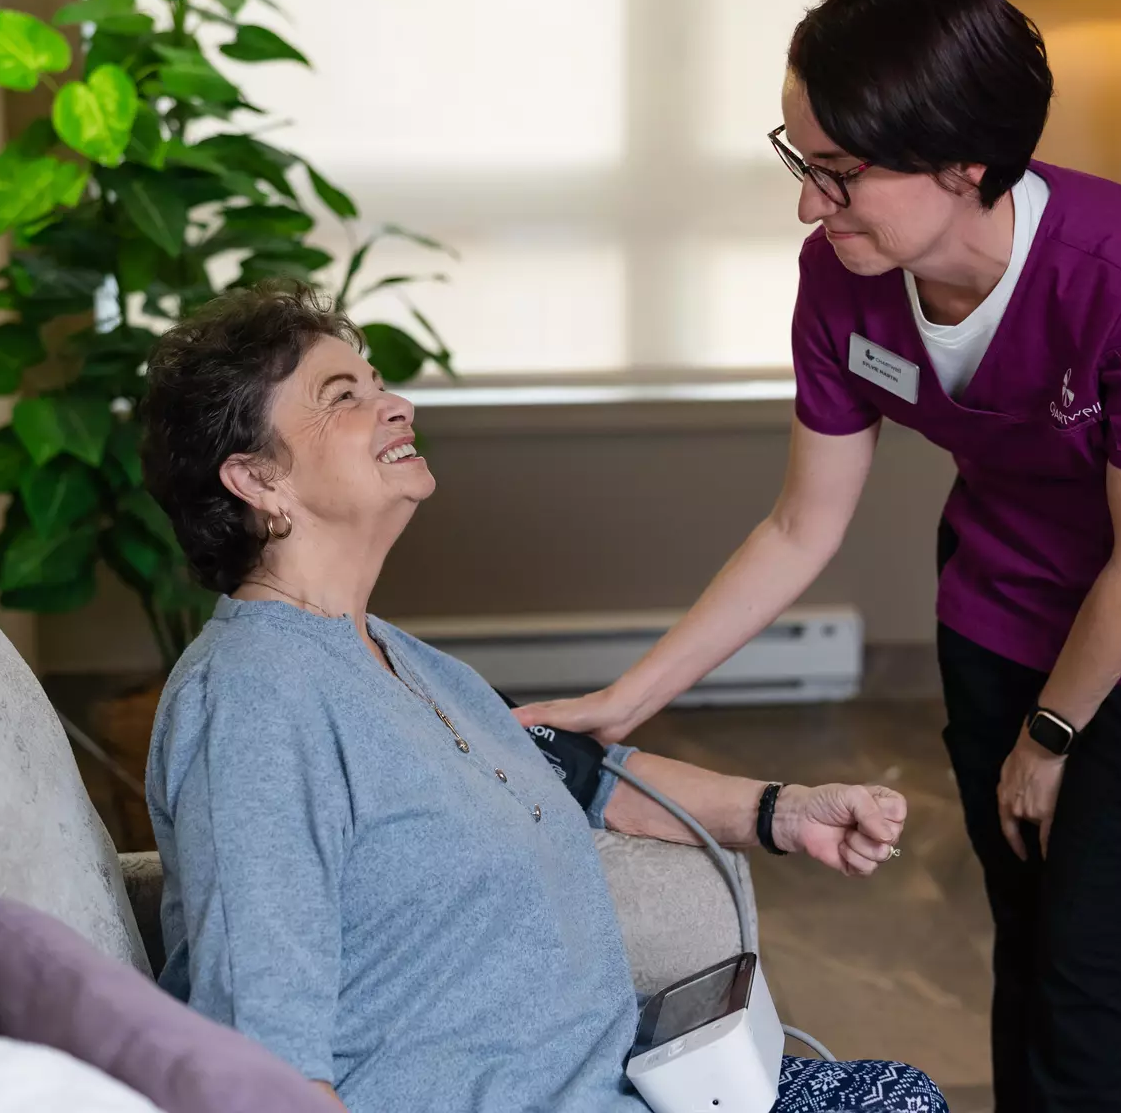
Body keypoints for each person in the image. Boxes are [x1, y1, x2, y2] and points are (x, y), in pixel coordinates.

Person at [516, 0, 1121, 1113]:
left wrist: (1051, 736)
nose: (808, 204)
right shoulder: (843, 277)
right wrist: (628, 701)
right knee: (1026, 919)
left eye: (840, 173)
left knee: (1093, 960)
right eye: (800, 161)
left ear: (966, 158)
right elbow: (797, 526)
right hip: (1010, 567)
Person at [134, 284, 948, 1113]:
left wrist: (785, 810)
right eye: (345, 397)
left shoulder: (410, 661)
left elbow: (579, 777)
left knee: (898, 1094)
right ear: (256, 478)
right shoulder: (251, 701)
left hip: (608, 1086)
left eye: (380, 384)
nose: (398, 405)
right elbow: (260, 1053)